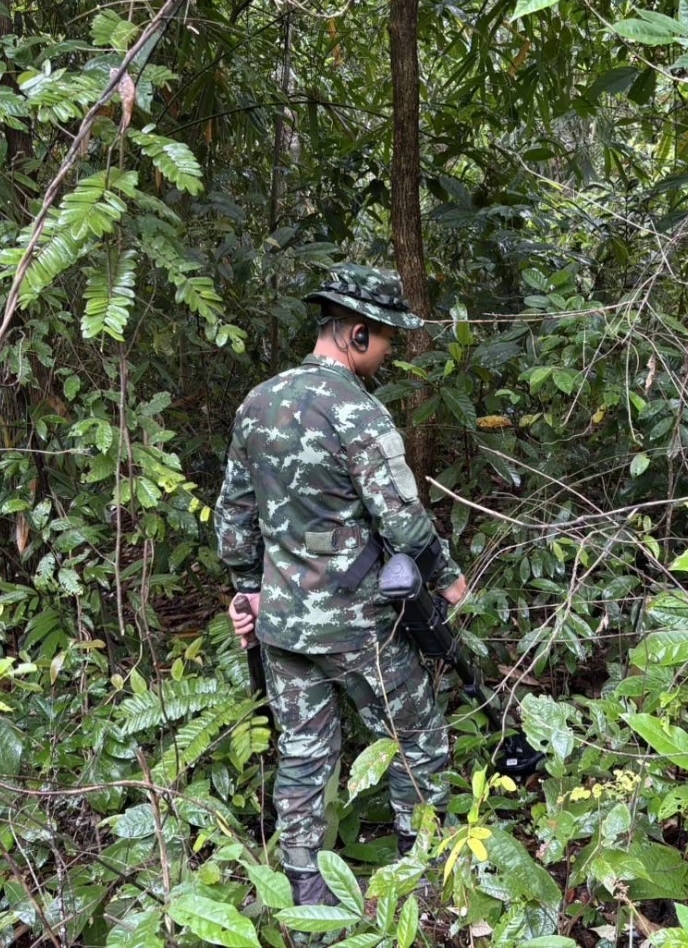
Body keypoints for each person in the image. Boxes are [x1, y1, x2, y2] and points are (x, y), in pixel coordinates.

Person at [214, 264, 467, 906]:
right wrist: (447, 578)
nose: (387, 353)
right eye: (384, 340)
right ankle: (422, 884)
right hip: (358, 623)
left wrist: (250, 590)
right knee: (418, 740)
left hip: (282, 625)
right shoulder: (359, 411)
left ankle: (307, 895)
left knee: (302, 756)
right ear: (356, 334)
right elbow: (402, 520)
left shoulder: (258, 402)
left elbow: (234, 519)